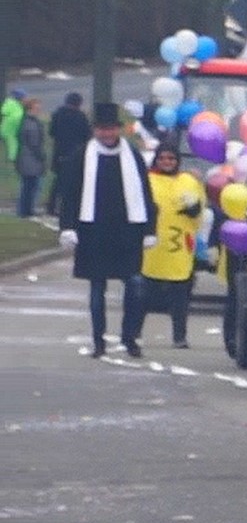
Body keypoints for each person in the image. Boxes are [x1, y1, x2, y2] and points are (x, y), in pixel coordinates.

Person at [63, 103, 156, 358]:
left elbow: (146, 194)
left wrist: (149, 228)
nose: (107, 134)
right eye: (102, 129)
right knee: (97, 288)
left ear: (119, 129)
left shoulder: (133, 156)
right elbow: (70, 194)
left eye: (111, 129)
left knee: (136, 285)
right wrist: (68, 227)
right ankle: (99, 340)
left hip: (128, 231)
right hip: (93, 231)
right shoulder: (81, 156)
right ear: (95, 130)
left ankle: (129, 337)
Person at [130, 141, 206, 348]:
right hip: (151, 245)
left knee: (180, 295)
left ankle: (179, 336)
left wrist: (194, 208)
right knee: (143, 293)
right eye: (162, 158)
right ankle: (134, 333)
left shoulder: (188, 181)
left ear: (177, 161)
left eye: (171, 158)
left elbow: (199, 209)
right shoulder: (147, 180)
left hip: (179, 246)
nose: (166, 162)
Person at [48, 90, 89, 220]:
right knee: (74, 182)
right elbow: (86, 135)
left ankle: (52, 206)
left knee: (58, 182)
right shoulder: (80, 117)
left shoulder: (57, 115)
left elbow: (52, 132)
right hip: (75, 154)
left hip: (60, 153)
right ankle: (71, 207)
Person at [17, 95, 47, 218]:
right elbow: (34, 142)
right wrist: (41, 155)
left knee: (28, 185)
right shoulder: (31, 123)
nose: (39, 109)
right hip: (30, 159)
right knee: (31, 185)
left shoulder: (26, 121)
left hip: (27, 158)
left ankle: (25, 209)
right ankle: (26, 210)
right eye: (36, 107)